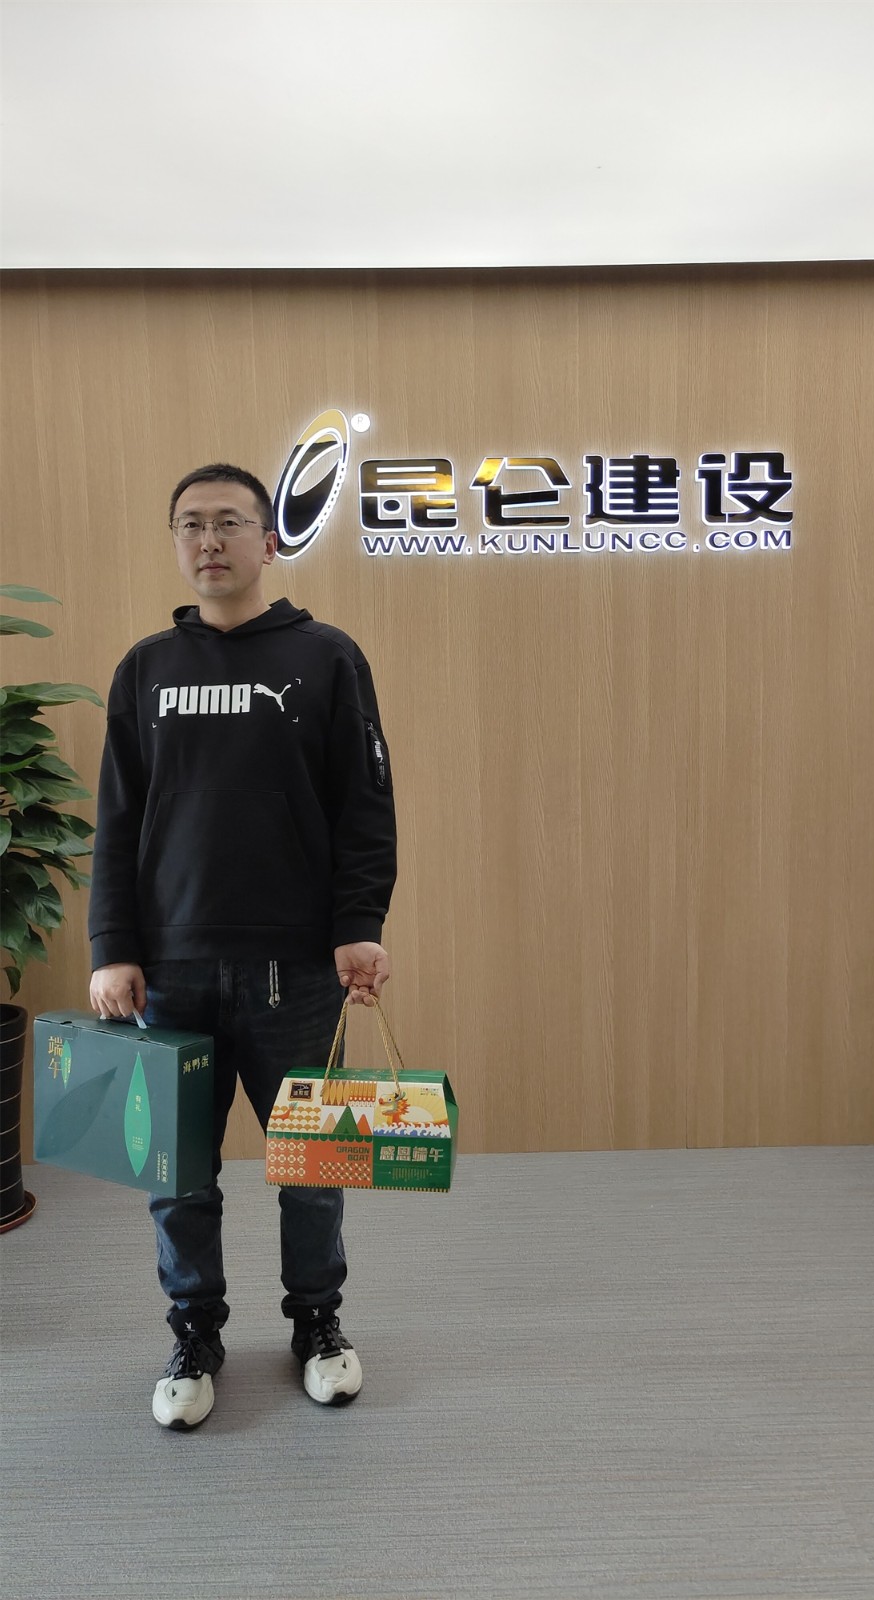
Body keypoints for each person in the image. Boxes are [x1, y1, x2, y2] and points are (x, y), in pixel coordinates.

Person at [88, 462, 396, 1430]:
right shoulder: (145, 670)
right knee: (179, 1177)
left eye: (228, 522)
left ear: (269, 541)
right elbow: (117, 819)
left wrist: (358, 925)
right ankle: (194, 1333)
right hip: (169, 973)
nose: (209, 540)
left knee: (313, 1170)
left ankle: (317, 1324)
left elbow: (363, 807)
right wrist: (111, 945)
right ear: (177, 543)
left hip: (294, 971)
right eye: (190, 524)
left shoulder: (327, 658)